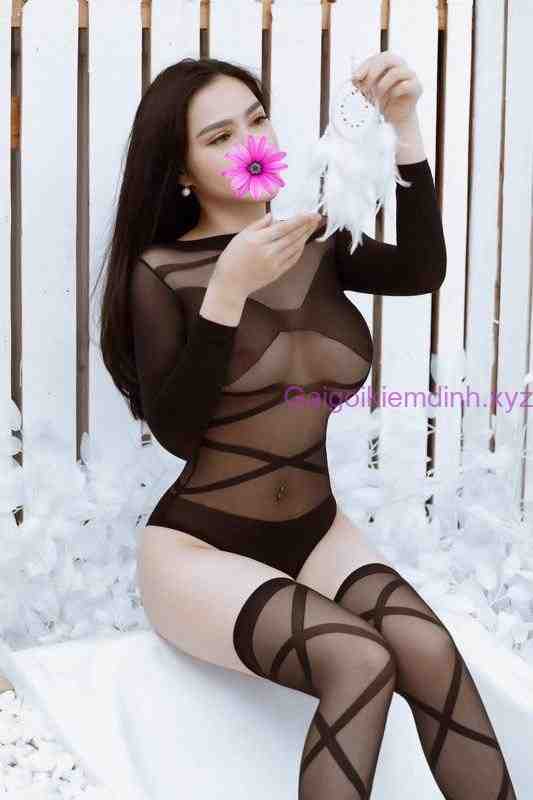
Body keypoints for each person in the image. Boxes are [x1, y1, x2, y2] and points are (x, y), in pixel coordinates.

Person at [96, 56, 517, 798]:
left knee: (428, 649)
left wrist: (404, 126)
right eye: (220, 136)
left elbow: (422, 270)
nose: (249, 143)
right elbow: (178, 435)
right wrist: (227, 291)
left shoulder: (313, 240)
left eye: (256, 120)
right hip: (198, 550)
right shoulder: (160, 272)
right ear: (183, 170)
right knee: (359, 661)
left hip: (316, 533)